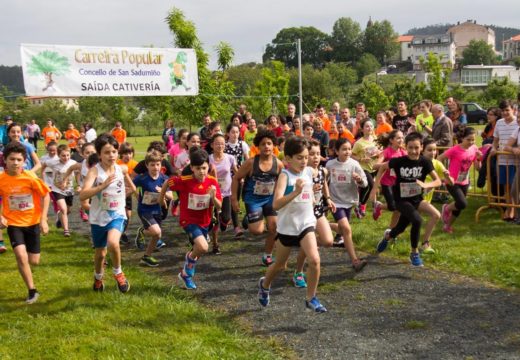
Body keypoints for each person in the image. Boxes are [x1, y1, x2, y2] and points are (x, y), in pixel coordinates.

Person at [257, 137, 327, 313]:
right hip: (287, 227)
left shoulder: (310, 172)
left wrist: (311, 197)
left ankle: (311, 298)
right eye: (299, 157)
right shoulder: (285, 176)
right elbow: (276, 204)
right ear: (287, 159)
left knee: (315, 260)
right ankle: (265, 285)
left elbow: (310, 191)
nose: (304, 161)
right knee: (280, 265)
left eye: (305, 157)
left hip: (306, 224)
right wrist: (295, 192)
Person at [374, 132, 441, 267]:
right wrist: (374, 188)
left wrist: (426, 185)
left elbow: (438, 181)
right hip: (401, 199)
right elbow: (382, 167)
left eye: (416, 148)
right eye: (410, 147)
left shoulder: (425, 162)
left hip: (417, 200)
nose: (413, 151)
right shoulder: (399, 161)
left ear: (421, 147)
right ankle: (414, 253)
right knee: (417, 220)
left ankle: (388, 236)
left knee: (400, 228)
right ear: (406, 147)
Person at [160, 148, 222, 290]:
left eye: (204, 168)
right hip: (188, 220)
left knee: (199, 250)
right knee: (203, 247)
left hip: (204, 221)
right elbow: (167, 182)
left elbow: (219, 207)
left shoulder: (212, 182)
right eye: (198, 168)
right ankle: (188, 266)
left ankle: (185, 274)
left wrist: (213, 196)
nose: (202, 171)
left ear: (208, 167)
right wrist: (161, 198)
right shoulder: (184, 180)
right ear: (192, 168)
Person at [80, 134, 135, 293]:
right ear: (99, 154)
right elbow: (83, 195)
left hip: (117, 214)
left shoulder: (122, 168)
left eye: (114, 151)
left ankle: (118, 273)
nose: (111, 155)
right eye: (106, 152)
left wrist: (127, 193)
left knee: (113, 243)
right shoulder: (94, 172)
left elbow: (127, 180)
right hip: (98, 218)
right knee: (100, 254)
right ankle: (98, 278)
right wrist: (102, 186)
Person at [0, 142, 50, 303]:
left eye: (19, 160)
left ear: (24, 161)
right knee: (21, 257)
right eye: (12, 159)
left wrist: (43, 220)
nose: (15, 163)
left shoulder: (30, 177)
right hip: (14, 223)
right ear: (5, 160)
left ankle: (27, 268)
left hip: (33, 222)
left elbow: (46, 195)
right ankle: (32, 290)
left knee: (33, 261)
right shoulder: (2, 179)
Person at [231, 129, 283, 266]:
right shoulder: (251, 163)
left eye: (269, 143)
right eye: (263, 144)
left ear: (274, 146)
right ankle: (249, 218)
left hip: (270, 199)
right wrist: (234, 200)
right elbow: (236, 178)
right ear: (257, 147)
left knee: (274, 227)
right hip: (253, 199)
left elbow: (282, 183)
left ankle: (267, 255)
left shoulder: (278, 164)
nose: (266, 146)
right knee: (257, 231)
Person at [292, 139, 334, 288]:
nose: (316, 157)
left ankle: (310, 243)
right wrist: (309, 192)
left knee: (328, 241)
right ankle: (298, 272)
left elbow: (323, 185)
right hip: (305, 213)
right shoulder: (302, 174)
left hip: (318, 211)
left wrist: (328, 199)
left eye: (318, 154)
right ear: (305, 156)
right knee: (309, 245)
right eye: (311, 154)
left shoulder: (323, 170)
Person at [326, 138, 368, 271]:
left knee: (343, 229)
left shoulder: (354, 164)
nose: (348, 151)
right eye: (344, 149)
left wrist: (359, 179)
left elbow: (365, 183)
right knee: (346, 229)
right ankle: (355, 261)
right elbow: (324, 182)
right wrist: (325, 198)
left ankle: (321, 225)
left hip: (349, 202)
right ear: (336, 151)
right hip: (335, 201)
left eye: (349, 149)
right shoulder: (330, 165)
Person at [438, 127, 481, 233]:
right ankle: (447, 208)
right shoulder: (455, 149)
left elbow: (477, 168)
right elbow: (439, 158)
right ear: (462, 138)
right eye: (468, 139)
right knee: (462, 203)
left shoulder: (474, 148)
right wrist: (444, 173)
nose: (471, 142)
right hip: (452, 181)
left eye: (473, 140)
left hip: (464, 181)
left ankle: (447, 226)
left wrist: (479, 159)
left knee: (459, 207)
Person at [133, 151, 171, 267]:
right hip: (144, 210)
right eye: (152, 165)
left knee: (157, 235)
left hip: (157, 210)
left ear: (161, 165)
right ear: (147, 165)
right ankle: (142, 231)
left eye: (158, 164)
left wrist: (163, 192)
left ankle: (146, 256)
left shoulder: (164, 178)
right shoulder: (142, 178)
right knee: (157, 232)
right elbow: (131, 186)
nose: (155, 167)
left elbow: (171, 196)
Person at [420, 137, 451, 253]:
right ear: (422, 150)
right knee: (436, 215)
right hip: (415, 198)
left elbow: (451, 181)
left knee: (409, 222)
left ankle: (390, 236)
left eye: (435, 150)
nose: (433, 153)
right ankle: (425, 244)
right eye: (429, 150)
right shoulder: (418, 162)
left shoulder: (437, 163)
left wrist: (447, 176)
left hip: (426, 199)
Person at [209, 133, 237, 254]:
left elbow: (236, 172)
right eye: (217, 143)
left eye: (222, 143)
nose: (220, 146)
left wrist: (242, 178)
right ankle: (215, 245)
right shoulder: (208, 158)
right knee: (214, 221)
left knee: (226, 218)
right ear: (212, 145)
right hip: (212, 193)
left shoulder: (230, 158)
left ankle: (223, 222)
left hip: (226, 193)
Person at [492, 100, 519, 221]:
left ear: (513, 109)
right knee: (505, 186)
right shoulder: (499, 122)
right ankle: (509, 210)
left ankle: (513, 211)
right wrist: (493, 148)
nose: (505, 113)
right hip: (502, 160)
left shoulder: (517, 123)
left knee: (514, 187)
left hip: (515, 161)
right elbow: (495, 140)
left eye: (507, 110)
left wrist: (514, 150)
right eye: (502, 110)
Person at [42, 144, 77, 237]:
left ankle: (59, 219)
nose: (66, 157)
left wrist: (79, 184)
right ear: (58, 155)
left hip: (69, 190)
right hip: (57, 189)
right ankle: (66, 230)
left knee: (68, 210)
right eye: (63, 155)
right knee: (63, 209)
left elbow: (78, 173)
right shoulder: (53, 162)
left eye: (68, 155)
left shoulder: (73, 163)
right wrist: (43, 178)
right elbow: (43, 165)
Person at [352, 119, 381, 219]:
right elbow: (352, 155)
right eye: (367, 126)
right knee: (371, 185)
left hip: (373, 167)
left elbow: (379, 151)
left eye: (371, 126)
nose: (369, 128)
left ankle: (360, 205)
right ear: (363, 129)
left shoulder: (375, 139)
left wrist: (378, 155)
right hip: (363, 168)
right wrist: (361, 159)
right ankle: (361, 205)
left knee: (366, 187)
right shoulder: (359, 143)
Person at [224, 123, 250, 238]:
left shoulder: (242, 144)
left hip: (240, 176)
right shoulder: (224, 146)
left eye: (237, 132)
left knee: (237, 199)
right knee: (230, 200)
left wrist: (246, 173)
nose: (235, 134)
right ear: (228, 133)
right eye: (233, 132)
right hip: (227, 177)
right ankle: (232, 224)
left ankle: (240, 223)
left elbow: (248, 160)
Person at [117, 142, 138, 245]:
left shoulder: (135, 164)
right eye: (125, 153)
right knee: (119, 214)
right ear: (121, 154)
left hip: (128, 193)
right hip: (118, 193)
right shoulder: (117, 164)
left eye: (130, 153)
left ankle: (123, 232)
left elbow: (136, 179)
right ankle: (118, 233)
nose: (128, 155)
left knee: (128, 215)